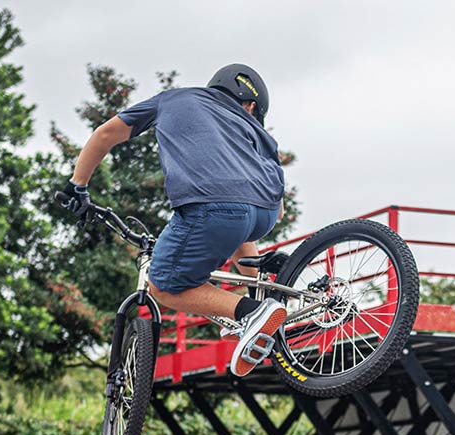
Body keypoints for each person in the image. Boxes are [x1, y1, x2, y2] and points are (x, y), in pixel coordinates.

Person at [59, 64, 287, 377]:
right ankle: (259, 296)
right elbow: (279, 206)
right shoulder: (256, 130)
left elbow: (105, 134)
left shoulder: (174, 99)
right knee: (237, 223)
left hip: (213, 208)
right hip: (265, 213)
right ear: (249, 105)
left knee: (163, 286)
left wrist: (78, 186)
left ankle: (252, 312)